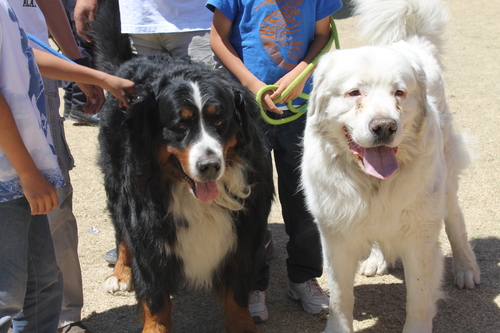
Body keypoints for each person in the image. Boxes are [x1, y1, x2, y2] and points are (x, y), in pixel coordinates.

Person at [0, 1, 135, 332]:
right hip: (9, 176)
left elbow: (25, 47)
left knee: (44, 285)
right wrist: (29, 174)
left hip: (20, 170)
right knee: (7, 297)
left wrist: (99, 77)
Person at [206, 0, 343, 323]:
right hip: (247, 111)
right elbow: (217, 38)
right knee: (247, 201)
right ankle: (252, 284)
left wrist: (300, 72)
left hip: (299, 109)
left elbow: (322, 35)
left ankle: (303, 277)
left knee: (305, 198)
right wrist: (252, 85)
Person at [73, 0, 220, 265]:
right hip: (139, 19)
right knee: (145, 151)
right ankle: (140, 243)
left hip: (199, 18)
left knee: (209, 128)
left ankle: (229, 244)